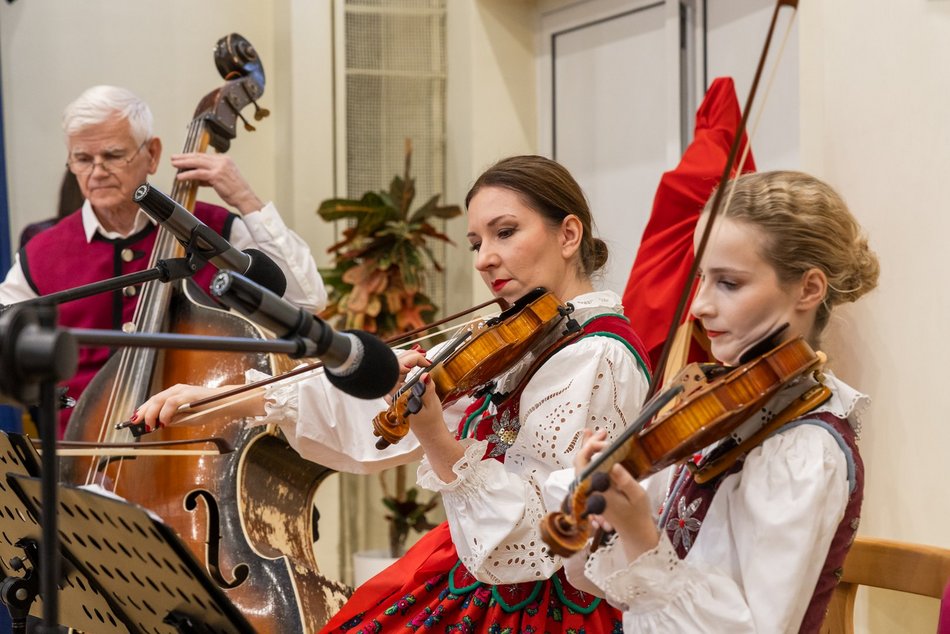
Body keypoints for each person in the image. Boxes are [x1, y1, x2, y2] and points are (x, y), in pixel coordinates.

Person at [135, 155, 653, 632]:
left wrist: (436, 437)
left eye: (505, 232)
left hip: (538, 606)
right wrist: (224, 399)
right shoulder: (524, 335)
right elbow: (368, 400)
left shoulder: (597, 357)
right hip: (479, 576)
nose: (484, 260)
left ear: (568, 235)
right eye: (476, 243)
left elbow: (541, 532)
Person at [561, 170, 879, 633]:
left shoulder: (805, 450)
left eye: (728, 283)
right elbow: (614, 586)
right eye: (701, 279)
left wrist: (640, 534)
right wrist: (610, 504)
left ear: (809, 289)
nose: (699, 305)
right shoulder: (718, 412)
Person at [0, 85, 327, 437]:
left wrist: (245, 198)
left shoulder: (212, 231)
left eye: (113, 155)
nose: (97, 171)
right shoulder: (42, 251)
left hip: (199, 448)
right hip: (81, 457)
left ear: (152, 154)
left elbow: (307, 300)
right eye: (82, 159)